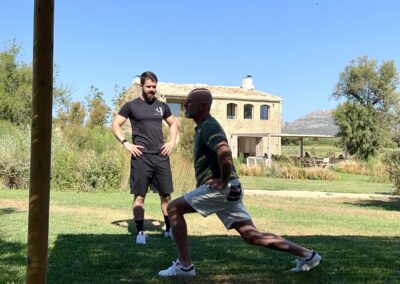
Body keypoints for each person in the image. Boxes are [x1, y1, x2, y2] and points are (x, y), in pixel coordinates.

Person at [158, 88, 322, 276]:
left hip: (223, 189)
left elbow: (225, 152)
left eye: (189, 102)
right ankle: (308, 256)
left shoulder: (209, 126)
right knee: (252, 236)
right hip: (231, 189)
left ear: (202, 106)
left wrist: (223, 181)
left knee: (173, 208)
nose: (185, 105)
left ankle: (184, 266)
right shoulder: (204, 126)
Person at [111, 71, 178, 244]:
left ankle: (169, 230)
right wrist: (126, 143)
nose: (152, 90)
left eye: (154, 87)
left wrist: (171, 142)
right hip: (140, 157)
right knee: (139, 196)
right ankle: (140, 232)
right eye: (148, 86)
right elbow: (115, 124)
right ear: (142, 86)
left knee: (166, 196)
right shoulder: (131, 106)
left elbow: (173, 123)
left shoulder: (162, 106)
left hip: (161, 156)